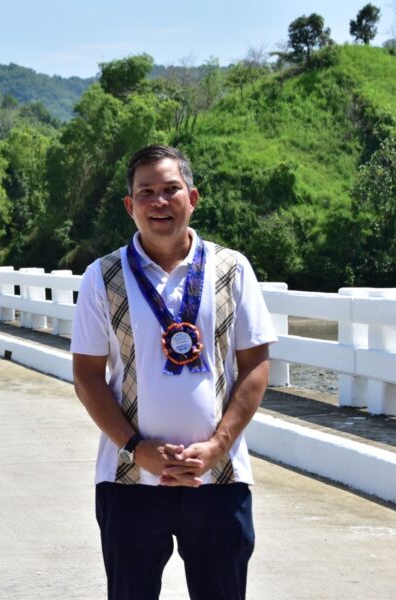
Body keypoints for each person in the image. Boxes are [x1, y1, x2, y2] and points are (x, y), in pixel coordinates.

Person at [71, 145, 277, 600]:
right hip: (130, 480)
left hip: (218, 477)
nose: (159, 202)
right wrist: (135, 448)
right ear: (130, 206)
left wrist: (217, 446)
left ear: (193, 197)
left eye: (171, 190)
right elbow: (86, 375)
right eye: (146, 192)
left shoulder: (231, 269)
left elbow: (255, 364)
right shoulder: (102, 277)